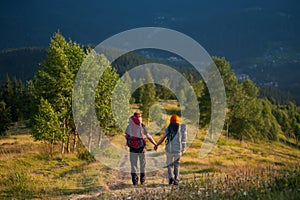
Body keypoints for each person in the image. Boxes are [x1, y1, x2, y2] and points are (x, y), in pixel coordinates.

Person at [125, 112, 157, 186]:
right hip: (141, 147)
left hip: (132, 148)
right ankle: (142, 180)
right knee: (142, 164)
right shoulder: (142, 126)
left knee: (133, 164)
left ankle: (134, 181)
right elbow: (148, 136)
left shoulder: (129, 126)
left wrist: (127, 143)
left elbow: (126, 136)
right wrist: (155, 144)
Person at [155, 114, 187, 185]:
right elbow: (183, 140)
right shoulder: (181, 129)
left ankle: (171, 177)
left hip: (169, 150)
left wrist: (157, 145)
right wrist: (183, 149)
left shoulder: (168, 128)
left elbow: (163, 138)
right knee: (177, 164)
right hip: (178, 150)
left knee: (169, 164)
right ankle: (176, 178)